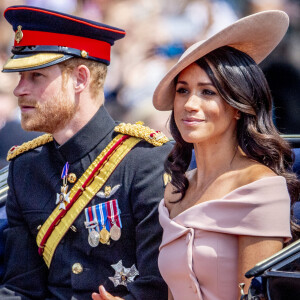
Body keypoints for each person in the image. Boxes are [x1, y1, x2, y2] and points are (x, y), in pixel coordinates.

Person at [0, 5, 171, 300]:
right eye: (19, 77)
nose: (19, 89)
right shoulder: (25, 167)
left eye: (36, 76)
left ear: (80, 79)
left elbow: (158, 286)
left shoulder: (147, 160)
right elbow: (20, 288)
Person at [152, 10, 300, 300]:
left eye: (208, 93)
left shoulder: (259, 186)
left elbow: (255, 296)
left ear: (237, 106)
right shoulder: (175, 190)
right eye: (183, 91)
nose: (190, 104)